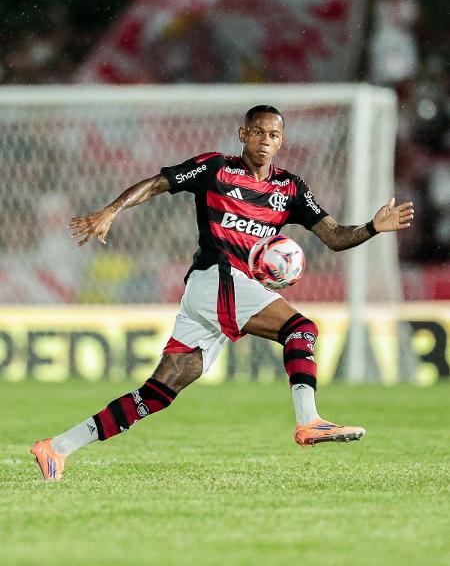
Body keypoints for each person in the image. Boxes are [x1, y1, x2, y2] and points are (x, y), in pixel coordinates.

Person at [30, 105, 414, 480]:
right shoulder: (216, 168)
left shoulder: (291, 188)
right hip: (215, 277)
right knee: (301, 329)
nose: (265, 140)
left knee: (158, 393)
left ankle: (57, 447)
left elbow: (334, 237)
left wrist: (372, 227)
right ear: (243, 135)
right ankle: (308, 420)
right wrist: (112, 209)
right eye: (258, 132)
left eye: (274, 134)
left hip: (222, 292)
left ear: (282, 141)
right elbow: (159, 182)